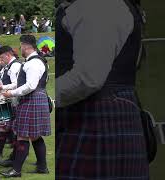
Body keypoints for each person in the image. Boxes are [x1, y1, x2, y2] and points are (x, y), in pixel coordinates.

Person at [56, 0, 149, 179]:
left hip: (95, 118)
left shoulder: (98, 5)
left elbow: (88, 77)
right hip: (100, 116)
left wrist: (48, 99)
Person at [0, 35, 51, 177]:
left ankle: (16, 170)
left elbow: (30, 85)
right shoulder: (34, 61)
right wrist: (4, 87)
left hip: (32, 99)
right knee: (35, 136)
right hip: (36, 99)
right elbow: (23, 83)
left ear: (26, 46)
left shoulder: (33, 63)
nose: (20, 49)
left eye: (21, 45)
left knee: (22, 136)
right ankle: (42, 167)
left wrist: (12, 94)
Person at [0, 46, 22, 159]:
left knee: (14, 129)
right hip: (9, 99)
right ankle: (2, 152)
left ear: (8, 55)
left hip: (14, 99)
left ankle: (14, 155)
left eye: (2, 57)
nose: (1, 60)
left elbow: (16, 83)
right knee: (5, 126)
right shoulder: (9, 66)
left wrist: (2, 87)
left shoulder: (15, 66)